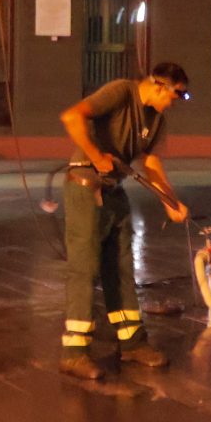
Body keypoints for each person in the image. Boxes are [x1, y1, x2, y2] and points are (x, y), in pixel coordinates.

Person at [57, 63, 190, 381]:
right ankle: (74, 353)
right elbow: (72, 116)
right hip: (85, 188)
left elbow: (152, 164)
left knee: (121, 267)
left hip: (113, 190)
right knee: (85, 268)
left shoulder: (156, 120)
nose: (173, 103)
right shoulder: (120, 92)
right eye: (175, 95)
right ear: (159, 86)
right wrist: (95, 154)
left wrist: (171, 202)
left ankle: (132, 343)